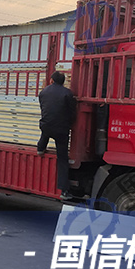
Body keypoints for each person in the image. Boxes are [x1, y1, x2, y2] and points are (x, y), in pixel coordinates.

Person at [37, 71, 77, 201]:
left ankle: (40, 148)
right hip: (61, 130)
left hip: (46, 125)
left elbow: (44, 109)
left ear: (51, 80)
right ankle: (64, 191)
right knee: (62, 160)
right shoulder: (68, 93)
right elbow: (72, 112)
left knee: (45, 133)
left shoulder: (43, 92)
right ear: (63, 82)